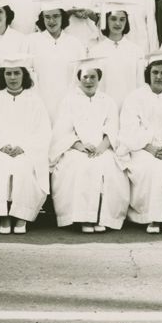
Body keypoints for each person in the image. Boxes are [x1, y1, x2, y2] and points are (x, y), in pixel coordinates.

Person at [49, 56, 130, 233]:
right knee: (81, 167)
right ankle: (84, 218)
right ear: (79, 78)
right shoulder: (69, 100)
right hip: (76, 149)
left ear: (99, 78)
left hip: (103, 148)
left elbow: (113, 128)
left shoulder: (107, 101)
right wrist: (80, 146)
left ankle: (102, 217)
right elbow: (63, 130)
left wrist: (102, 147)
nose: (88, 81)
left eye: (93, 77)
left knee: (108, 168)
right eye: (85, 77)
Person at [118, 51, 162, 233]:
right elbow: (129, 129)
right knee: (152, 167)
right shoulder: (134, 98)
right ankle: (153, 218)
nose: (159, 77)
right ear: (148, 74)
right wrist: (149, 147)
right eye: (155, 72)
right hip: (142, 149)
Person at [0, 55, 52, 235]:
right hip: (0, 149)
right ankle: (3, 216)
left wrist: (24, 147)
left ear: (24, 75)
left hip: (27, 150)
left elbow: (42, 130)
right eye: (8, 73)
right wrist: (2, 145)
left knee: (24, 168)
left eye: (16, 73)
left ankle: (21, 217)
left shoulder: (34, 100)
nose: (12, 77)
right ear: (3, 76)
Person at [27, 0, 87, 121]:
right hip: (39, 102)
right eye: (47, 17)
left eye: (56, 16)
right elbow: (27, 74)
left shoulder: (75, 44)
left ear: (62, 17)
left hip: (68, 102)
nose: (51, 21)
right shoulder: (32, 42)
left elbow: (80, 76)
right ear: (42, 19)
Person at [87, 2, 146, 106]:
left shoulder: (136, 51)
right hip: (103, 108)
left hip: (130, 108)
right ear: (106, 21)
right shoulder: (95, 52)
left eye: (122, 19)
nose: (118, 23)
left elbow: (140, 85)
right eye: (113, 19)